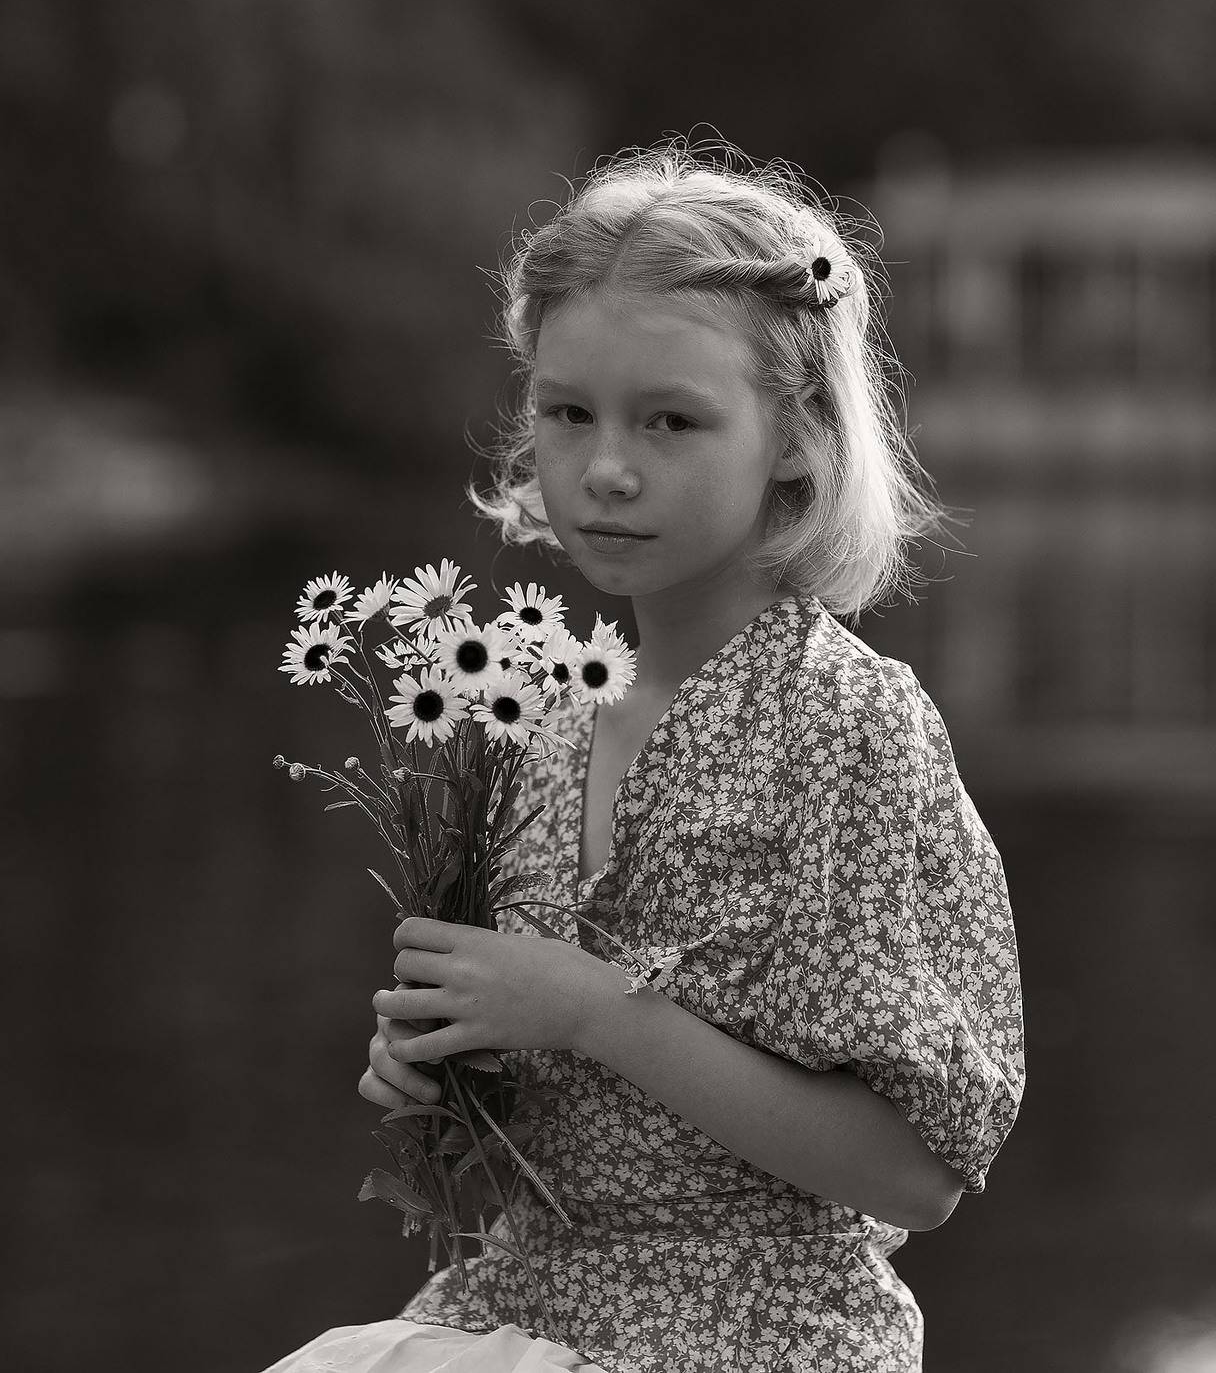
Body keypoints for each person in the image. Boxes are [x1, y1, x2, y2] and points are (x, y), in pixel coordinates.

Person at [263, 142, 1026, 1372]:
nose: (606, 468)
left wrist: (592, 1010)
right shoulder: (537, 722)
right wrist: (447, 1068)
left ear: (796, 437)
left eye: (671, 420)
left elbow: (914, 1172)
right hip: (519, 1308)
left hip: (751, 1334)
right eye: (568, 413)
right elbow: (552, 1120)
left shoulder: (842, 729)